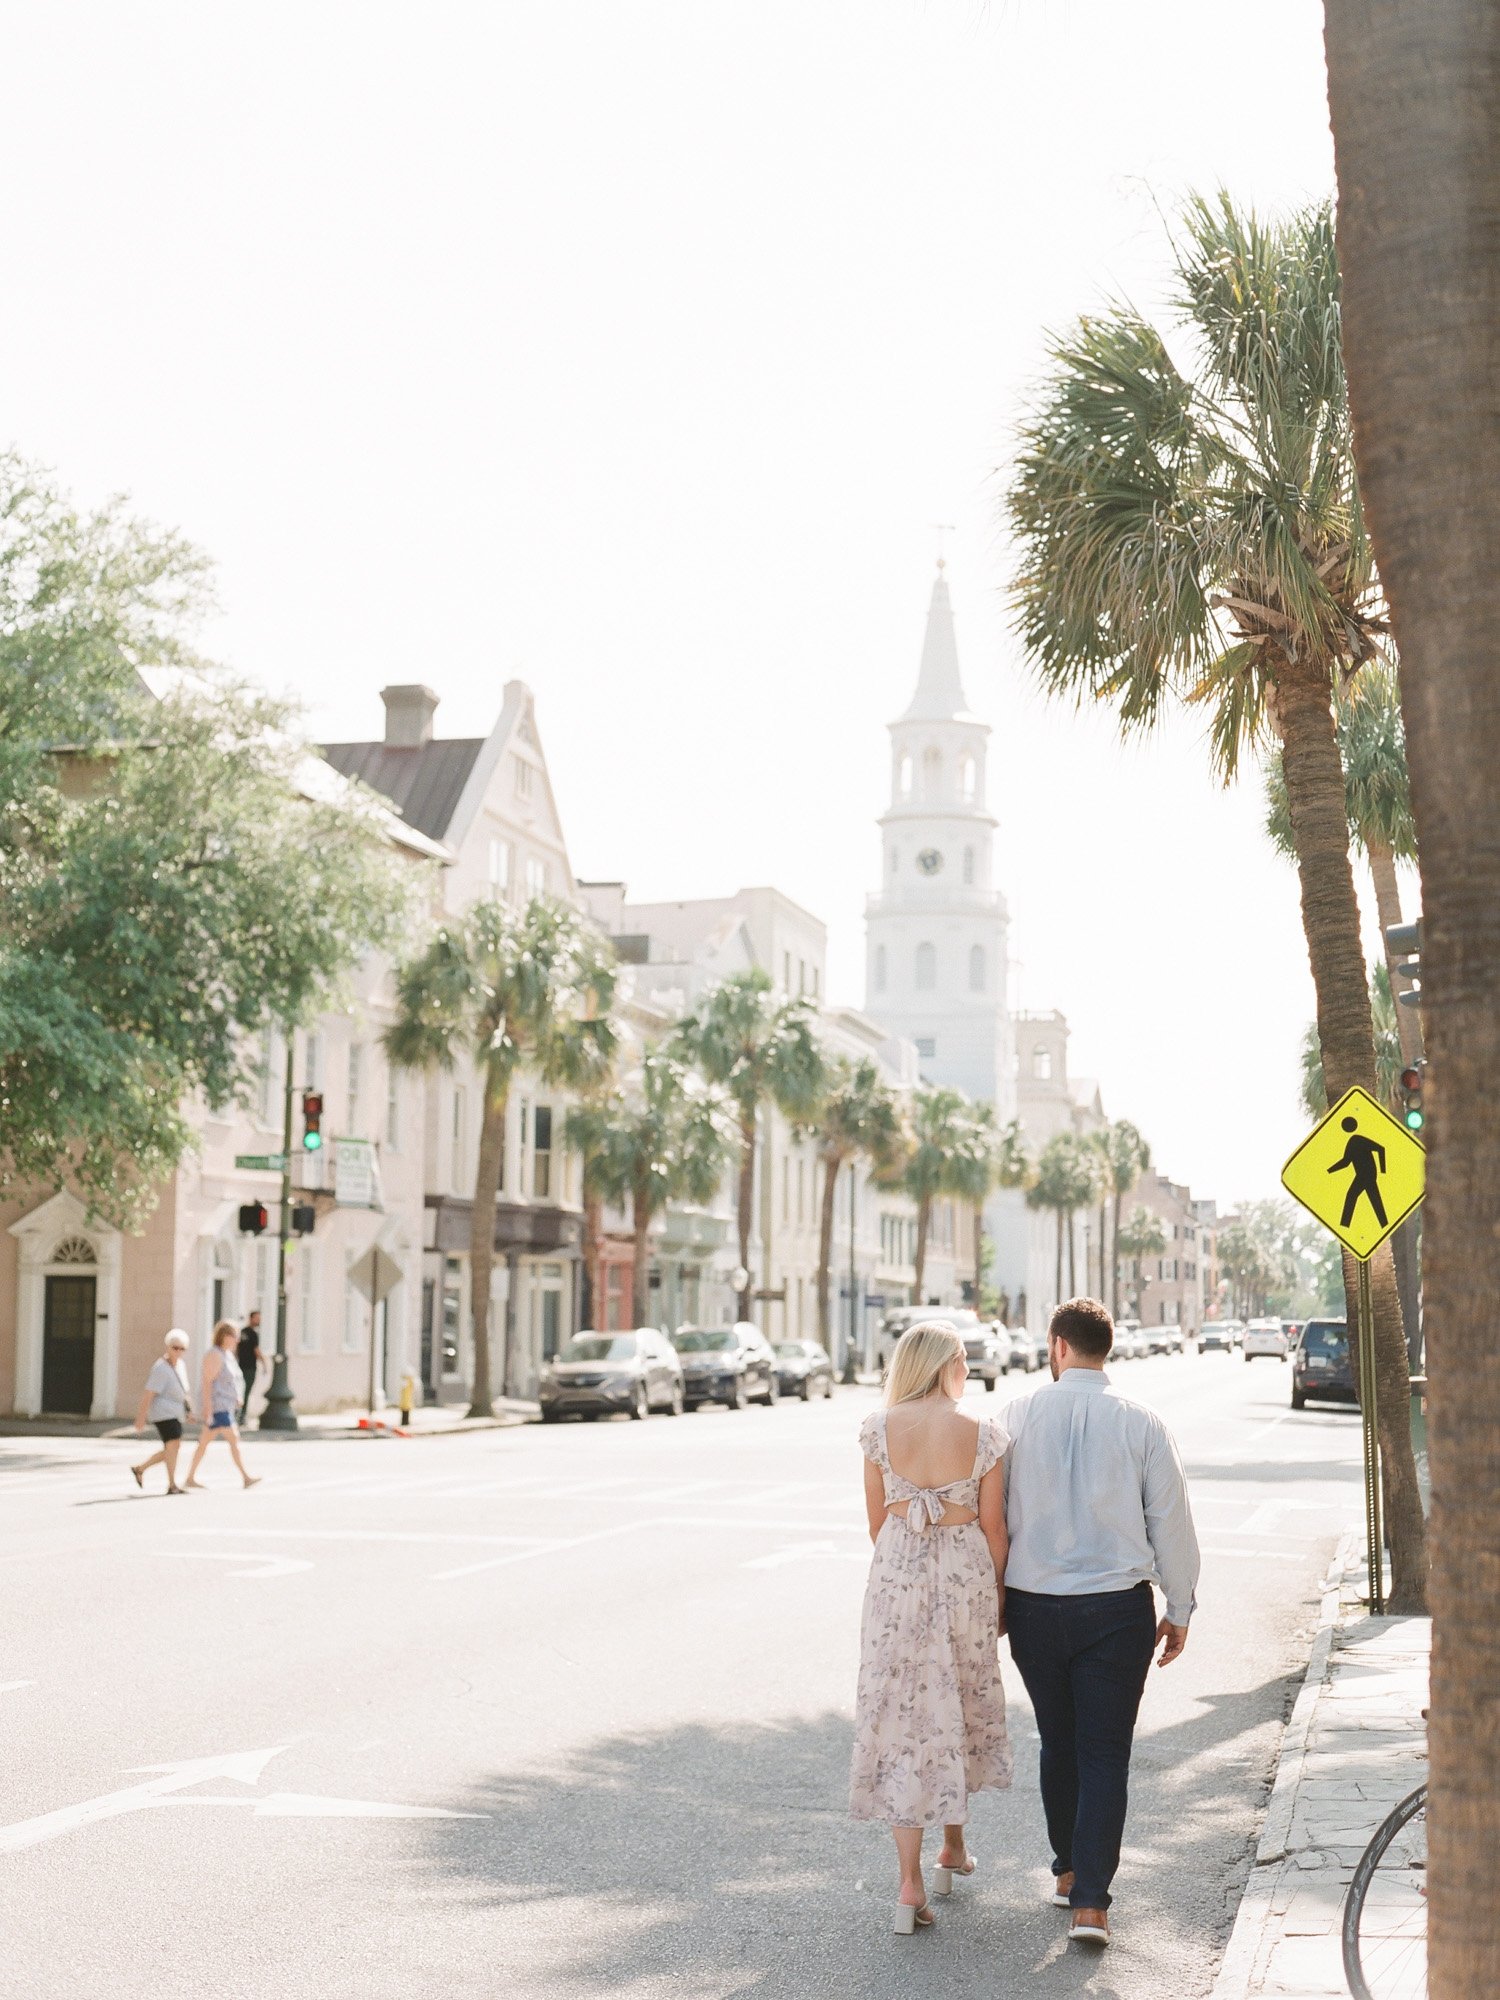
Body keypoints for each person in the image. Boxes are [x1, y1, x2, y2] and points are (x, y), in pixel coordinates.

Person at [1003, 1296, 1199, 1948]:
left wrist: (994, 1604)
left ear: (1058, 1346)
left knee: (1058, 1742)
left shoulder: (1016, 1415)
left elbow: (993, 1517)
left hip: (1033, 1606)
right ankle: (1091, 1904)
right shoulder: (1141, 1423)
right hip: (1117, 1611)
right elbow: (1171, 1522)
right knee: (1105, 1753)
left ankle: (1066, 1871)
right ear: (1105, 1347)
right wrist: (1180, 1607)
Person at [850, 1322, 1012, 1936]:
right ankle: (953, 1845)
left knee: (901, 1716)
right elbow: (995, 1528)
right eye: (964, 1360)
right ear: (942, 1365)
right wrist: (998, 1597)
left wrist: (906, 1563)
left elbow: (874, 1521)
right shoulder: (985, 1433)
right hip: (964, 1571)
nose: (968, 1371)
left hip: (897, 1571)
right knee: (958, 1703)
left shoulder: (876, 1429)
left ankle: (912, 1880)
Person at [183, 1321, 262, 1490]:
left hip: (226, 1406)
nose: (238, 1340)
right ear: (224, 1336)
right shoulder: (214, 1355)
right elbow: (207, 1383)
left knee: (205, 1442)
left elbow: (232, 1381)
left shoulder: (227, 1354)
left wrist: (237, 1397)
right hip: (217, 1407)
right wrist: (208, 1410)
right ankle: (246, 1477)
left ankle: (190, 1477)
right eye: (235, 1336)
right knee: (233, 1438)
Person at [131, 1329, 194, 1494]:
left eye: (182, 1349)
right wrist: (141, 1418)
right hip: (163, 1413)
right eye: (175, 1348)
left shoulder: (180, 1365)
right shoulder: (160, 1368)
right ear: (168, 1347)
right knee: (173, 1445)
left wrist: (189, 1410)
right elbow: (148, 1394)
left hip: (176, 1411)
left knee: (173, 1447)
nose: (178, 1352)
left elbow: (184, 1391)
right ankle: (172, 1484)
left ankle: (141, 1468)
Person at [236, 1310, 265, 1424]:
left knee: (240, 1390)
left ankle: (239, 1414)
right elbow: (256, 1350)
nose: (259, 1321)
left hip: (241, 1365)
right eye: (257, 1318)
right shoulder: (252, 1334)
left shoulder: (242, 1332)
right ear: (251, 1318)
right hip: (248, 1367)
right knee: (245, 1391)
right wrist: (264, 1363)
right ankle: (241, 1415)